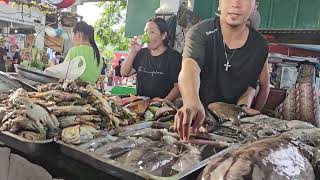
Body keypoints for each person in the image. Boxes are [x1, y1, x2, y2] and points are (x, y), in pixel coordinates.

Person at [174, 0, 270, 140]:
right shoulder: (200, 32)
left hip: (233, 124)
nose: (235, 3)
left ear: (255, 6)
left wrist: (244, 111)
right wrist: (191, 101)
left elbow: (251, 86)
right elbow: (189, 68)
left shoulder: (260, 46)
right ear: (219, 3)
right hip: (198, 118)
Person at [121, 17, 182, 102]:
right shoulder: (141, 53)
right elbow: (124, 73)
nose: (147, 36)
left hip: (163, 107)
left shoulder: (174, 57)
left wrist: (162, 103)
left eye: (152, 32)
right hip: (141, 105)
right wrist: (133, 51)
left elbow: (178, 86)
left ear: (163, 35)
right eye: (146, 32)